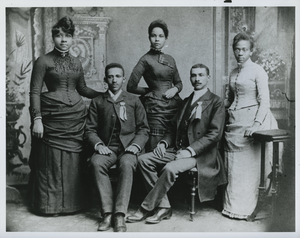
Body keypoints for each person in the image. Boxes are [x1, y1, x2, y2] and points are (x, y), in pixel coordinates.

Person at [126, 63, 227, 224]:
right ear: (190, 78)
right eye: (193, 75)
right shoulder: (186, 101)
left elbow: (214, 135)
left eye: (201, 75)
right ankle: (164, 206)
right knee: (143, 160)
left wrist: (190, 151)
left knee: (170, 168)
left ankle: (146, 207)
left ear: (208, 77)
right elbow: (172, 129)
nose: (197, 79)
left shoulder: (216, 102)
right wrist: (164, 144)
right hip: (177, 150)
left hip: (200, 155)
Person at [28, 16, 101, 215]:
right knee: (51, 163)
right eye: (59, 36)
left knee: (72, 164)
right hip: (51, 118)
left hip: (75, 117)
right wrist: (37, 119)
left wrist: (103, 94)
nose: (63, 40)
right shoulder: (43, 61)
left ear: (72, 38)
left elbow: (83, 89)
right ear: (53, 38)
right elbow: (34, 91)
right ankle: (49, 206)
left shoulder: (76, 62)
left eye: (67, 36)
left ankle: (72, 204)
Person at [84, 63, 149, 232]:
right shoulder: (98, 101)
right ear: (106, 79)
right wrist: (98, 145)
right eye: (111, 76)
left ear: (123, 78)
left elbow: (144, 129)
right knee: (97, 163)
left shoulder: (134, 100)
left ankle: (120, 214)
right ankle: (107, 213)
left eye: (118, 76)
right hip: (108, 147)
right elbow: (89, 129)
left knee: (126, 164)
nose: (114, 80)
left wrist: (136, 145)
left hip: (129, 148)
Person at [222, 32, 278, 220]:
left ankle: (246, 208)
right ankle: (232, 206)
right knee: (235, 167)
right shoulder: (233, 72)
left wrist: (255, 124)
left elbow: (265, 102)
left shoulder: (258, 71)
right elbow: (229, 100)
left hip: (253, 121)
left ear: (251, 51)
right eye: (237, 49)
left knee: (248, 167)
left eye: (244, 49)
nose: (240, 53)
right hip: (234, 121)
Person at [127, 19, 182, 152]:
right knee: (155, 149)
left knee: (174, 141)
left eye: (161, 36)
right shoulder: (145, 59)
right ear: (149, 38)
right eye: (153, 36)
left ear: (165, 38)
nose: (157, 39)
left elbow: (179, 83)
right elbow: (131, 86)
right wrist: (151, 91)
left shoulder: (170, 59)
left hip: (174, 106)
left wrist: (175, 89)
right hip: (155, 109)